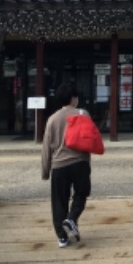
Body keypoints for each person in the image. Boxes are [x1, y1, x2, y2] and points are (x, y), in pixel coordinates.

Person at [41, 82, 92, 248]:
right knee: (81, 194)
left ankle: (62, 237)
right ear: (73, 99)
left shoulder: (52, 119)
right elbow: (90, 139)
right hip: (80, 163)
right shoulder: (83, 114)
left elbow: (46, 147)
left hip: (59, 165)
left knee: (59, 200)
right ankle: (71, 218)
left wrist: (45, 171)